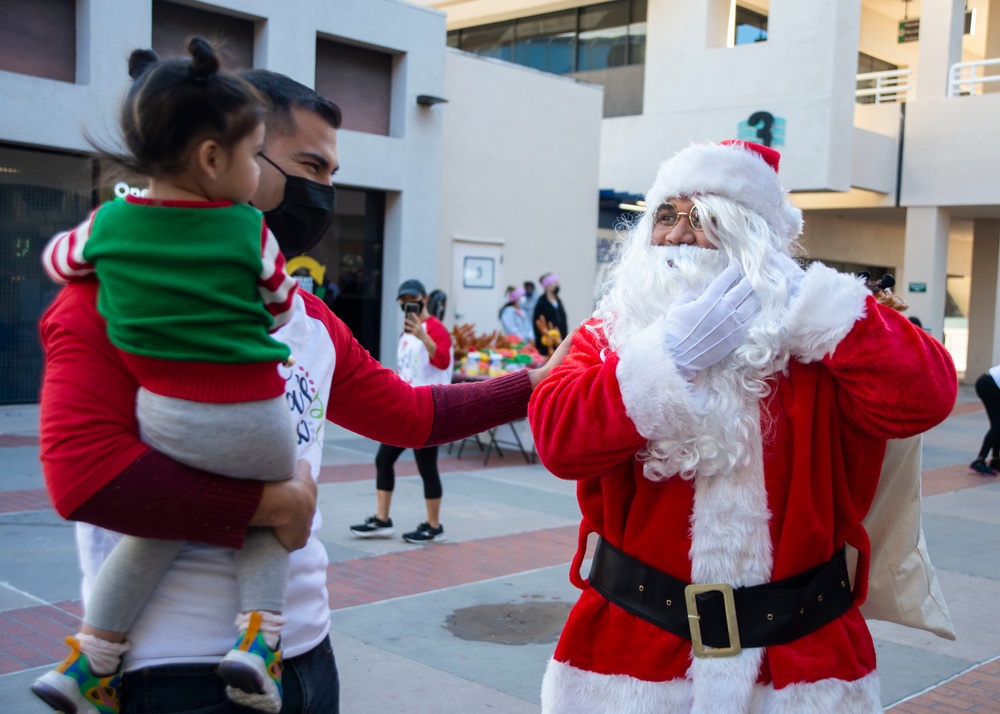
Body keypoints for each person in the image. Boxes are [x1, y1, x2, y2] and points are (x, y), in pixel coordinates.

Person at [37, 66, 567, 714]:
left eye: (333, 175)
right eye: (311, 168)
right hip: (176, 674)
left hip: (306, 656)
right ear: (227, 153)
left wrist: (535, 383)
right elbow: (84, 476)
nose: (324, 193)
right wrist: (268, 505)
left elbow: (408, 415)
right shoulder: (108, 293)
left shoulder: (309, 320)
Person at [528, 140, 956, 713]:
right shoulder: (611, 336)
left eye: (703, 218)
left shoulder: (820, 344)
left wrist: (813, 302)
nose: (677, 234)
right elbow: (559, 439)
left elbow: (926, 395)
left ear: (749, 237)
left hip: (800, 665)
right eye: (665, 215)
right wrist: (664, 360)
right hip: (632, 660)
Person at [34, 39, 301, 714]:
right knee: (269, 515)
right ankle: (258, 645)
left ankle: (90, 659)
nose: (259, 171)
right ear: (213, 158)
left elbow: (58, 263)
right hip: (254, 416)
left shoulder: (108, 224)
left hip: (168, 419)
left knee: (154, 530)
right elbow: (281, 303)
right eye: (255, 153)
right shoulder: (249, 229)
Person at [349, 279, 454, 544]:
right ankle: (382, 519)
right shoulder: (404, 334)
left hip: (430, 407)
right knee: (384, 460)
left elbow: (442, 360)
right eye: (403, 300)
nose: (408, 304)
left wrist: (424, 337)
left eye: (413, 298)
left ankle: (434, 526)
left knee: (426, 467)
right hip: (404, 406)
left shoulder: (437, 330)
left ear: (425, 299)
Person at [969, 364, 1000, 475]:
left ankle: (996, 460)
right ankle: (979, 461)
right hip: (989, 385)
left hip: (990, 383)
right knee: (998, 426)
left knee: (998, 426)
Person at [532, 272, 568, 350]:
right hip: (548, 344)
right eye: (553, 283)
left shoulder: (558, 301)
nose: (556, 285)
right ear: (547, 286)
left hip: (560, 340)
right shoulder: (541, 303)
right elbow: (538, 324)